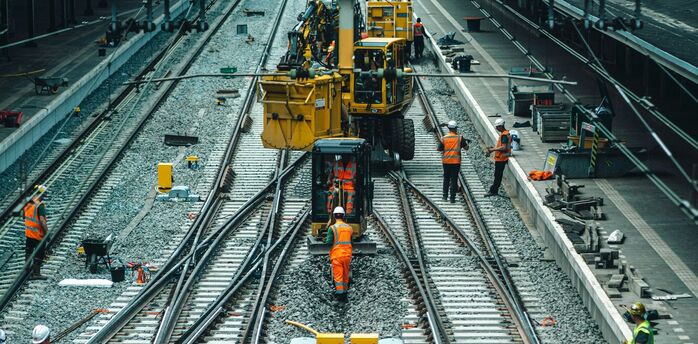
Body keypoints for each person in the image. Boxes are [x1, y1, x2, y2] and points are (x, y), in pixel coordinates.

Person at [325, 206, 353, 302]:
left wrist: (326, 240)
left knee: (338, 276)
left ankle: (340, 295)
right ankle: (345, 293)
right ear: (343, 216)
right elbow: (350, 240)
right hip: (347, 255)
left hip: (337, 255)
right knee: (345, 274)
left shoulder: (332, 228)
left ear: (334, 216)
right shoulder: (349, 228)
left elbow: (329, 242)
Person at [437, 120, 469, 203]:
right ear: (455, 129)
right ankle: (452, 199)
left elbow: (438, 149)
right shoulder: (459, 138)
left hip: (446, 162)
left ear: (448, 128)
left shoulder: (444, 138)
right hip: (455, 162)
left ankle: (444, 197)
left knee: (446, 178)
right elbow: (466, 148)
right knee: (454, 179)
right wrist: (466, 143)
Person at [24, 185, 49, 280]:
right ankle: (36, 273)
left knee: (28, 252)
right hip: (38, 235)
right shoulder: (40, 205)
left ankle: (26, 271)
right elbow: (42, 221)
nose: (43, 198)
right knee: (39, 254)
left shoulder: (27, 204)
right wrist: (47, 234)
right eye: (43, 195)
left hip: (29, 233)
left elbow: (26, 218)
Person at [485, 118, 511, 197]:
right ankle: (494, 190)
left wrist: (492, 149)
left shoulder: (504, 135)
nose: (496, 128)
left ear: (501, 126)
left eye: (497, 127)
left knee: (497, 176)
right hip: (502, 157)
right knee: (497, 175)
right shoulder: (505, 133)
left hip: (502, 158)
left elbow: (504, 147)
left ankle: (493, 191)